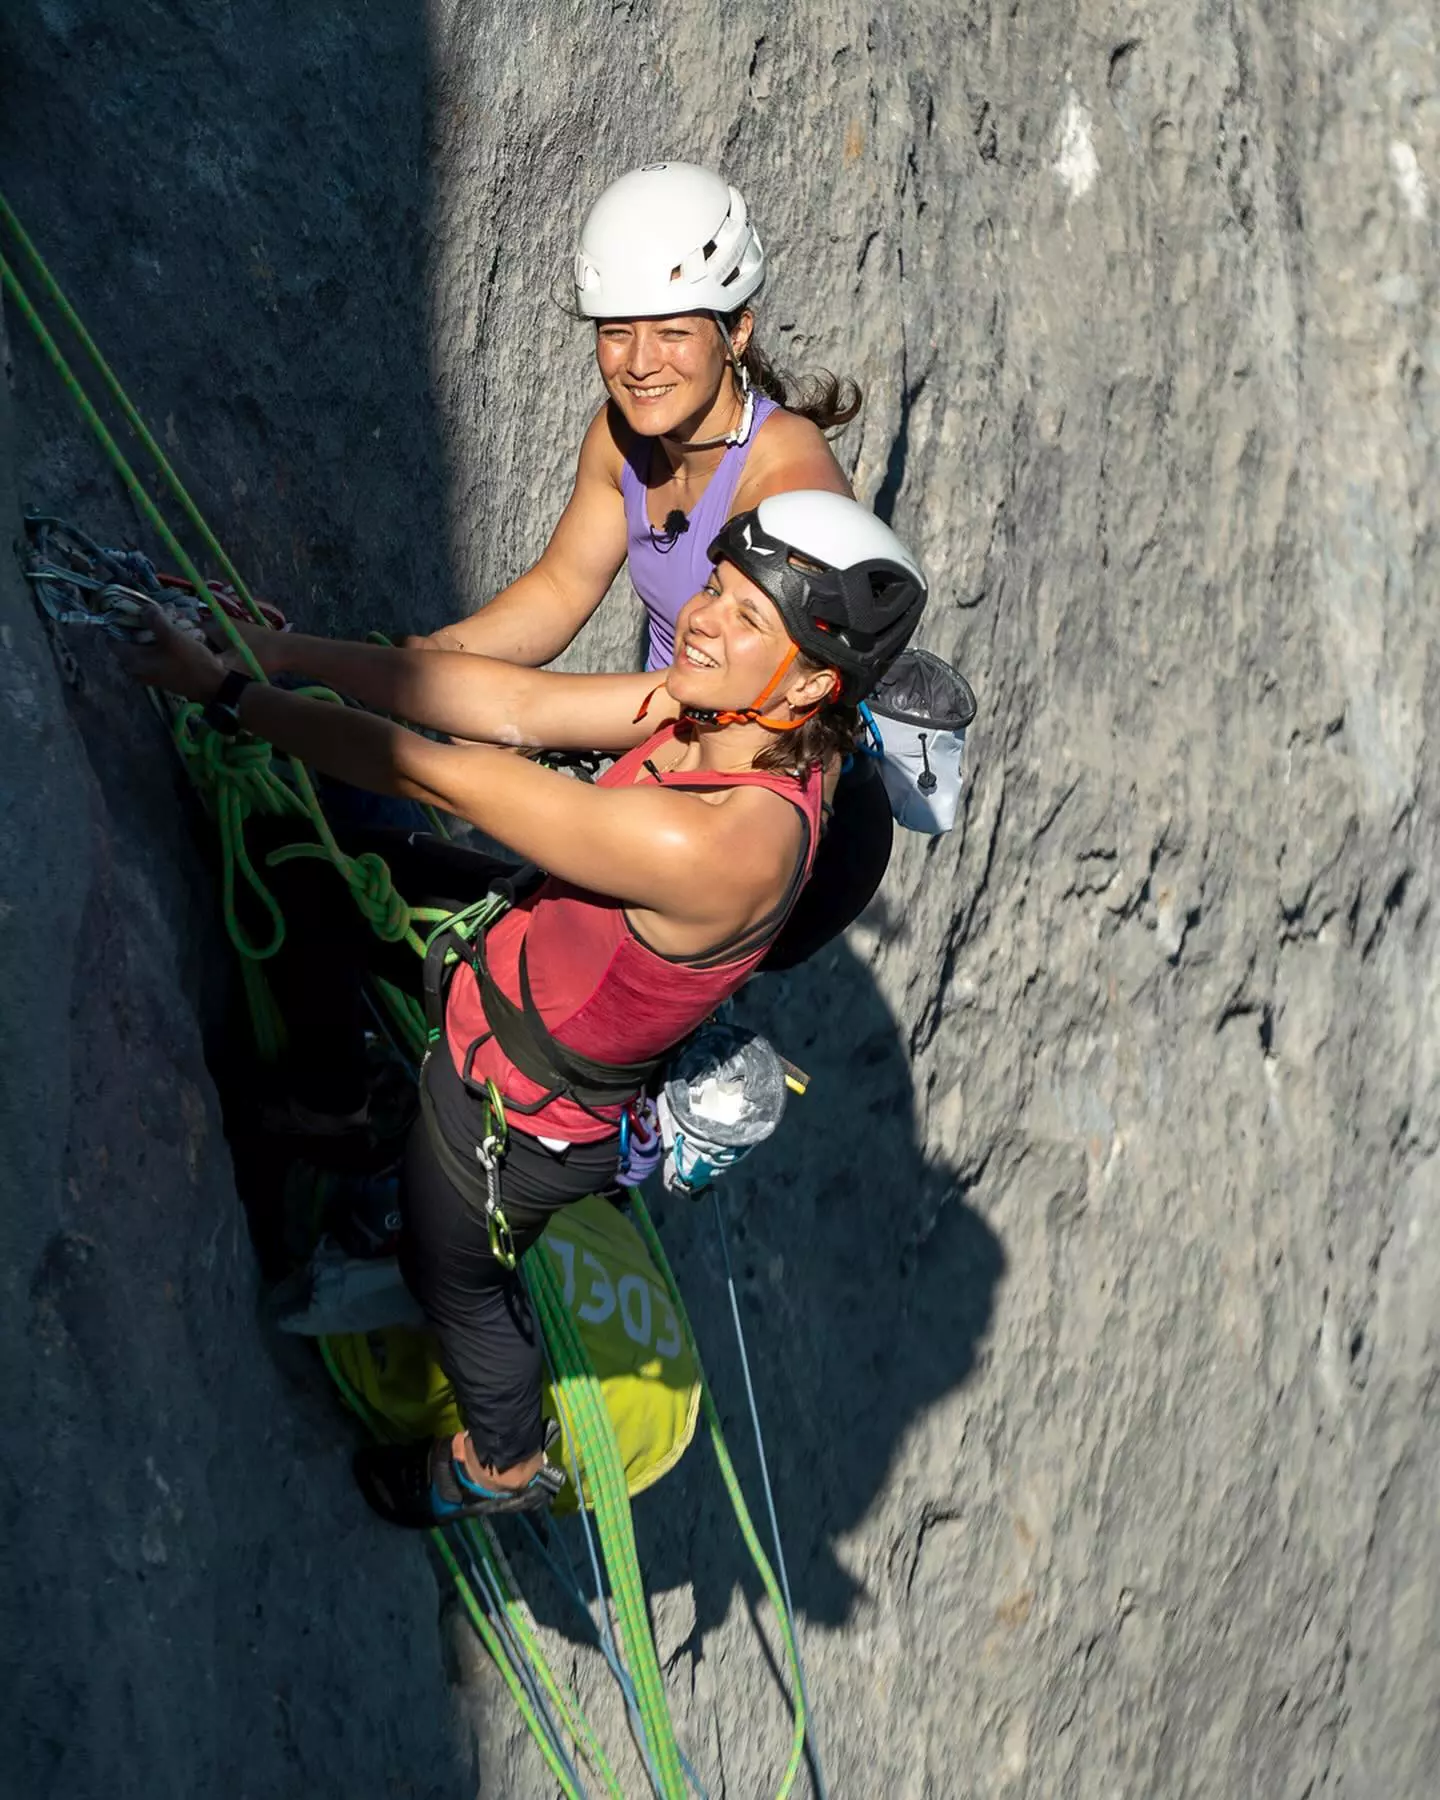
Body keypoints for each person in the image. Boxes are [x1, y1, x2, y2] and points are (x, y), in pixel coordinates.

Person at [119, 491, 927, 1527]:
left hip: (516, 1109)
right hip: (503, 956)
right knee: (314, 875)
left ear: (813, 679)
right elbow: (511, 707)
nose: (706, 618)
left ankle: (499, 1460)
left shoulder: (718, 845)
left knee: (451, 1273)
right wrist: (284, 656)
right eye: (717, 588)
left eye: (744, 616)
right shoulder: (728, 713)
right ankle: (346, 1104)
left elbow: (448, 775)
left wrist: (230, 690)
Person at [409, 160, 895, 968]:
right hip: (679, 745)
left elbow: (733, 694)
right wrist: (436, 657)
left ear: (736, 333)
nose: (640, 362)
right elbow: (561, 589)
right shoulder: (622, 438)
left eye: (673, 331)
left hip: (765, 804)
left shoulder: (784, 485)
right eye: (616, 330)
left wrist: (503, 719)